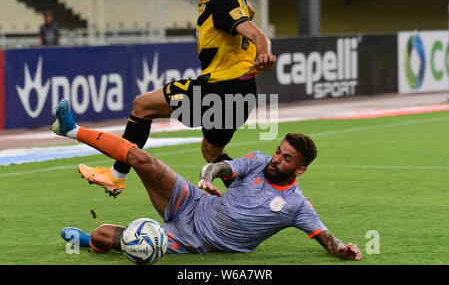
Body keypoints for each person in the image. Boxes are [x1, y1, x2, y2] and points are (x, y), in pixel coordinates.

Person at [53, 99, 362, 260]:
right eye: (278, 151)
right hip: (191, 200)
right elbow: (221, 169)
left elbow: (327, 239)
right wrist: (207, 175)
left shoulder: (296, 206)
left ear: (300, 170)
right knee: (142, 159)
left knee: (103, 234)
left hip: (194, 241)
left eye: (286, 159)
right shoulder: (257, 161)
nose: (276, 160)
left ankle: (90, 244)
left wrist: (341, 249)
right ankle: (71, 130)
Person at [77, 0, 277, 197]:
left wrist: (263, 54)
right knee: (211, 152)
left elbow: (257, 34)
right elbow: (248, 11)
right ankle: (258, 200)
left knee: (142, 105)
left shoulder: (219, 4)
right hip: (243, 90)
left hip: (219, 91)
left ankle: (117, 175)